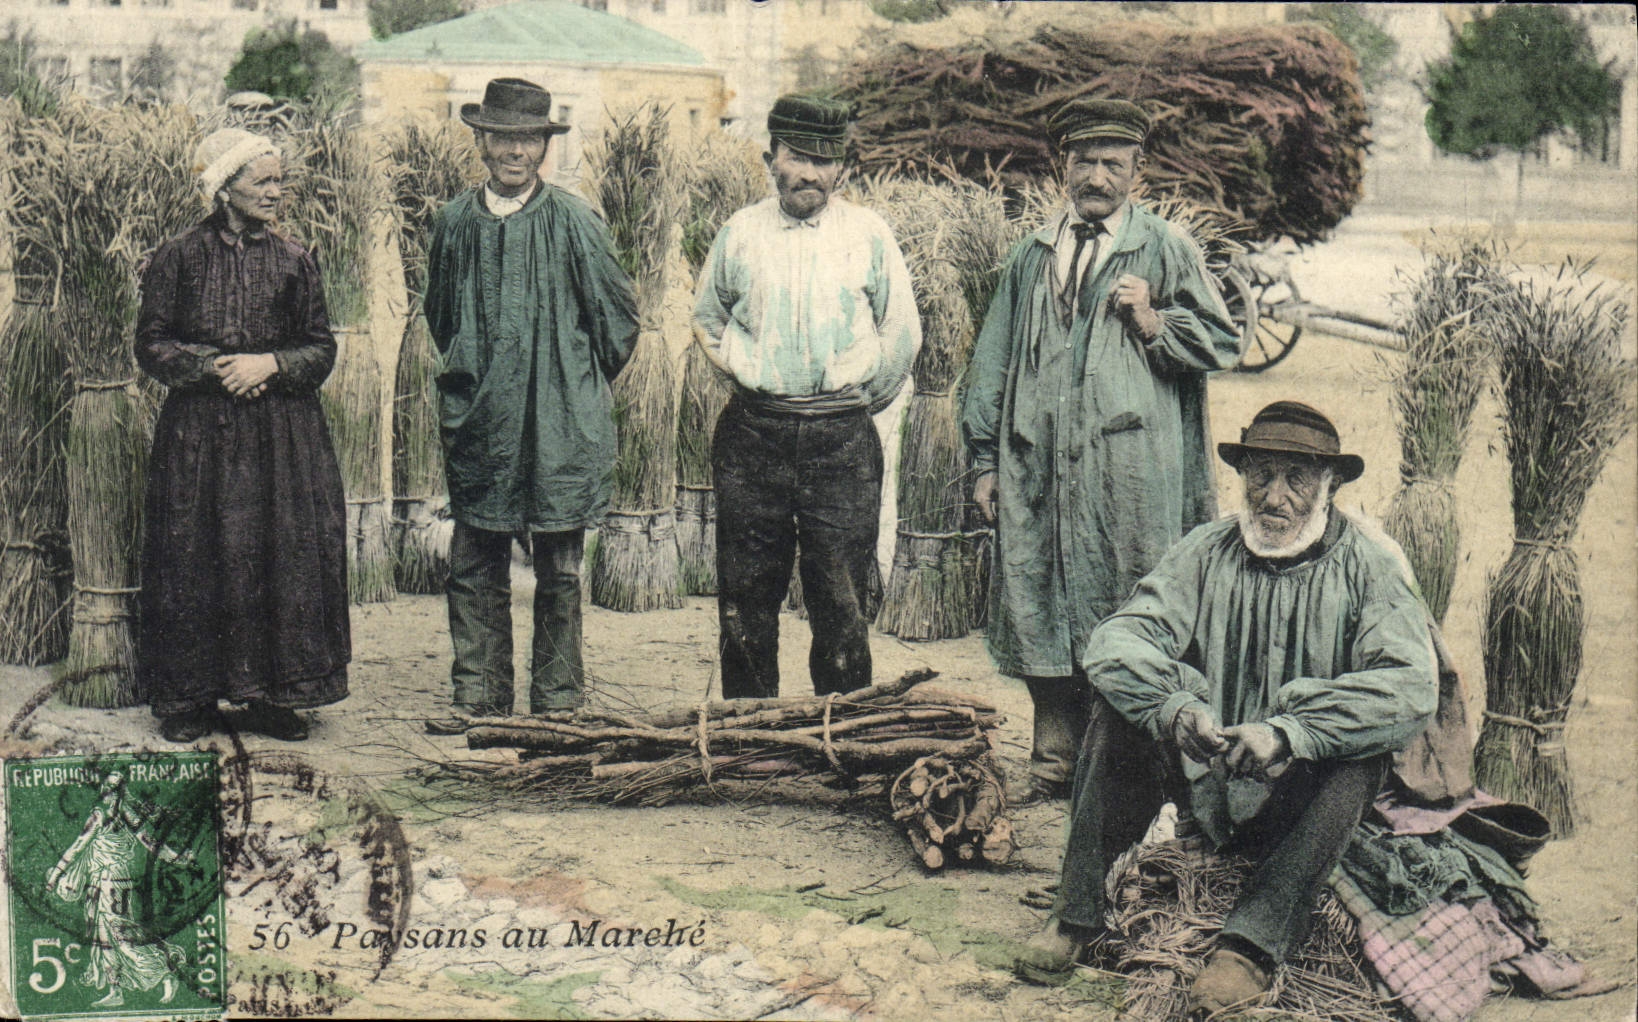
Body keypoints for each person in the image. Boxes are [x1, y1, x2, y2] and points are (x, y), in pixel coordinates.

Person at [1015, 401, 1439, 1018]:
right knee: (1118, 711)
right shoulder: (1206, 549)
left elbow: (1410, 686)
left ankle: (1249, 948)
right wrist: (1176, 708)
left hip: (1297, 793)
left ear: (1329, 485)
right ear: (1242, 476)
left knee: (1362, 756)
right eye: (1261, 475)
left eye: (1297, 479)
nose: (1274, 497)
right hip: (1204, 776)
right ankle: (1075, 915)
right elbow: (1116, 641)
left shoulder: (1369, 566)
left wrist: (1290, 732)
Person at [960, 97, 1241, 803]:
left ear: (1137, 170)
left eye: (1113, 163)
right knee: (1039, 597)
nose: (1096, 176)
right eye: (1083, 161)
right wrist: (985, 460)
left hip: (1129, 472)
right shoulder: (1033, 254)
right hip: (1037, 464)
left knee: (1131, 601)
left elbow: (1223, 341)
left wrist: (1153, 318)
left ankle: (1123, 770)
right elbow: (992, 359)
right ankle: (1053, 761)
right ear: (1063, 165)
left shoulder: (1163, 247)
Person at [423, 78, 637, 728]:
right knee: (474, 560)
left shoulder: (574, 221)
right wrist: (477, 372)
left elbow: (618, 323)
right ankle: (478, 699)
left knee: (561, 568)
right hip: (481, 419)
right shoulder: (455, 223)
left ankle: (558, 702)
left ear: (545, 146)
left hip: (558, 424)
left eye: (529, 139)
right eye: (502, 138)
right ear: (481, 142)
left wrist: (569, 383)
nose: (515, 151)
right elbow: (441, 317)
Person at [693, 94, 921, 699]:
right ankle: (750, 732)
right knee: (746, 595)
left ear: (842, 168)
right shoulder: (740, 232)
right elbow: (708, 320)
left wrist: (853, 400)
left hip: (841, 442)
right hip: (754, 436)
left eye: (825, 161)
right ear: (771, 158)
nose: (811, 174)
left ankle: (839, 731)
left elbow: (901, 332)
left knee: (840, 595)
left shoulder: (868, 234)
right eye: (797, 157)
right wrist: (752, 379)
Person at [137, 127, 350, 744]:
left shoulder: (295, 259)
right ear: (225, 188)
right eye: (263, 182)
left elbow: (320, 347)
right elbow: (151, 343)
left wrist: (271, 365)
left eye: (281, 181)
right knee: (193, 554)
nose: (277, 192)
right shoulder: (178, 257)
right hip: (199, 439)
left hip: (281, 440)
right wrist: (216, 369)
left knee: (278, 554)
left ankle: (271, 698)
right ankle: (190, 699)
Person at [47, 771, 191, 1008]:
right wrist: (176, 858)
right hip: (106, 880)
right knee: (105, 939)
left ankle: (165, 970)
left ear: (113, 792)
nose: (106, 792)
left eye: (110, 788)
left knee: (121, 938)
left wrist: (55, 874)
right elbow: (150, 843)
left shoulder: (102, 815)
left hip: (109, 880)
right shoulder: (126, 814)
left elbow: (78, 846)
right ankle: (116, 990)